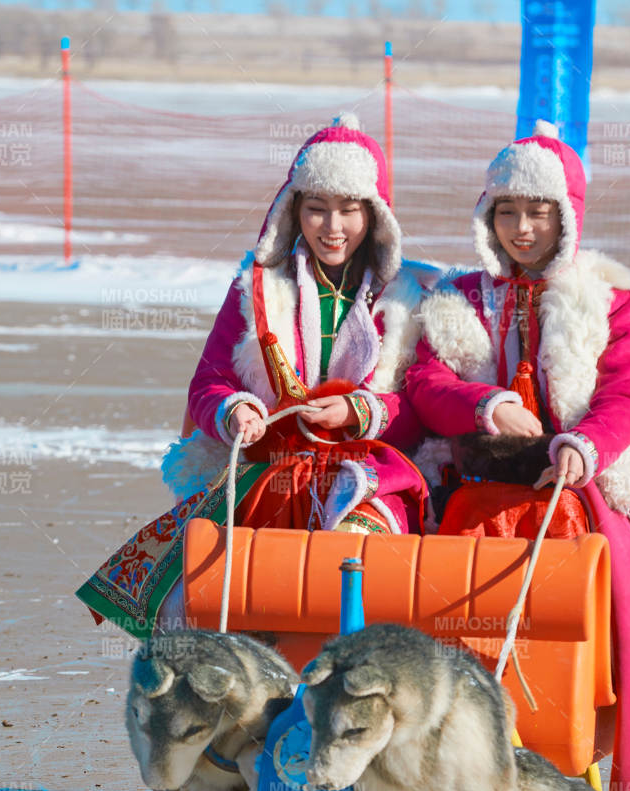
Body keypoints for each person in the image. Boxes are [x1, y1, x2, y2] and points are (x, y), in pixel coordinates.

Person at [404, 121, 630, 791]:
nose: (522, 228)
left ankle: (569, 734)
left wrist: (585, 444)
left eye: (538, 211)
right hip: (479, 486)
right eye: (507, 210)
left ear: (565, 217)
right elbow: (424, 381)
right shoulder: (456, 302)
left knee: (625, 585)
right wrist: (487, 401)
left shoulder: (612, 305)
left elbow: (628, 395)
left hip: (579, 485)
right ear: (488, 217)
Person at [77, 114, 434, 636]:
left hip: (370, 470)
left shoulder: (408, 295)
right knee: (208, 582)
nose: (332, 228)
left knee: (359, 561)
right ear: (294, 211)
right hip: (272, 465)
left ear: (374, 216)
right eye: (316, 209)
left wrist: (359, 411)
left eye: (348, 210)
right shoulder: (256, 287)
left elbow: (420, 401)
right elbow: (208, 384)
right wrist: (235, 409)